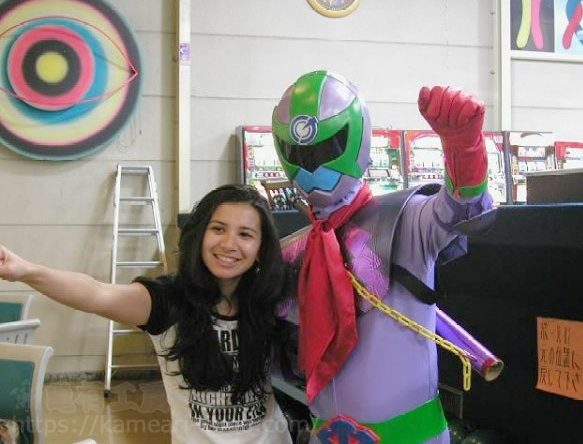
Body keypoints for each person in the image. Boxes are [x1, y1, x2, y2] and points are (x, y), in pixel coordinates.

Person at [273, 71, 497, 443]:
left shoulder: (407, 219)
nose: (312, 165)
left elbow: (466, 212)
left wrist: (464, 149)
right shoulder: (293, 253)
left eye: (327, 147)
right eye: (299, 153)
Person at [0, 184, 294, 444]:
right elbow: (96, 293)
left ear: (260, 248)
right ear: (199, 235)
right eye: (218, 229)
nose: (229, 244)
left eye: (245, 234)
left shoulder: (270, 298)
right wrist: (24, 270)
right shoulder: (167, 301)